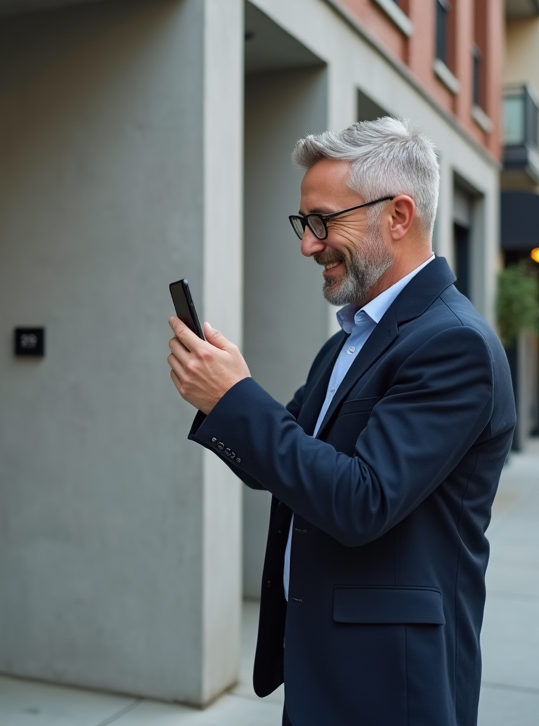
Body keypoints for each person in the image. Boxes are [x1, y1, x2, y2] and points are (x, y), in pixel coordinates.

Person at [166, 118, 515, 726]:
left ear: (398, 216)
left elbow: (362, 500)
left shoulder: (454, 346)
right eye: (305, 224)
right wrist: (223, 394)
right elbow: (292, 464)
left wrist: (236, 397)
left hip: (392, 684)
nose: (308, 244)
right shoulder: (350, 339)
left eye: (325, 222)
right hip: (322, 665)